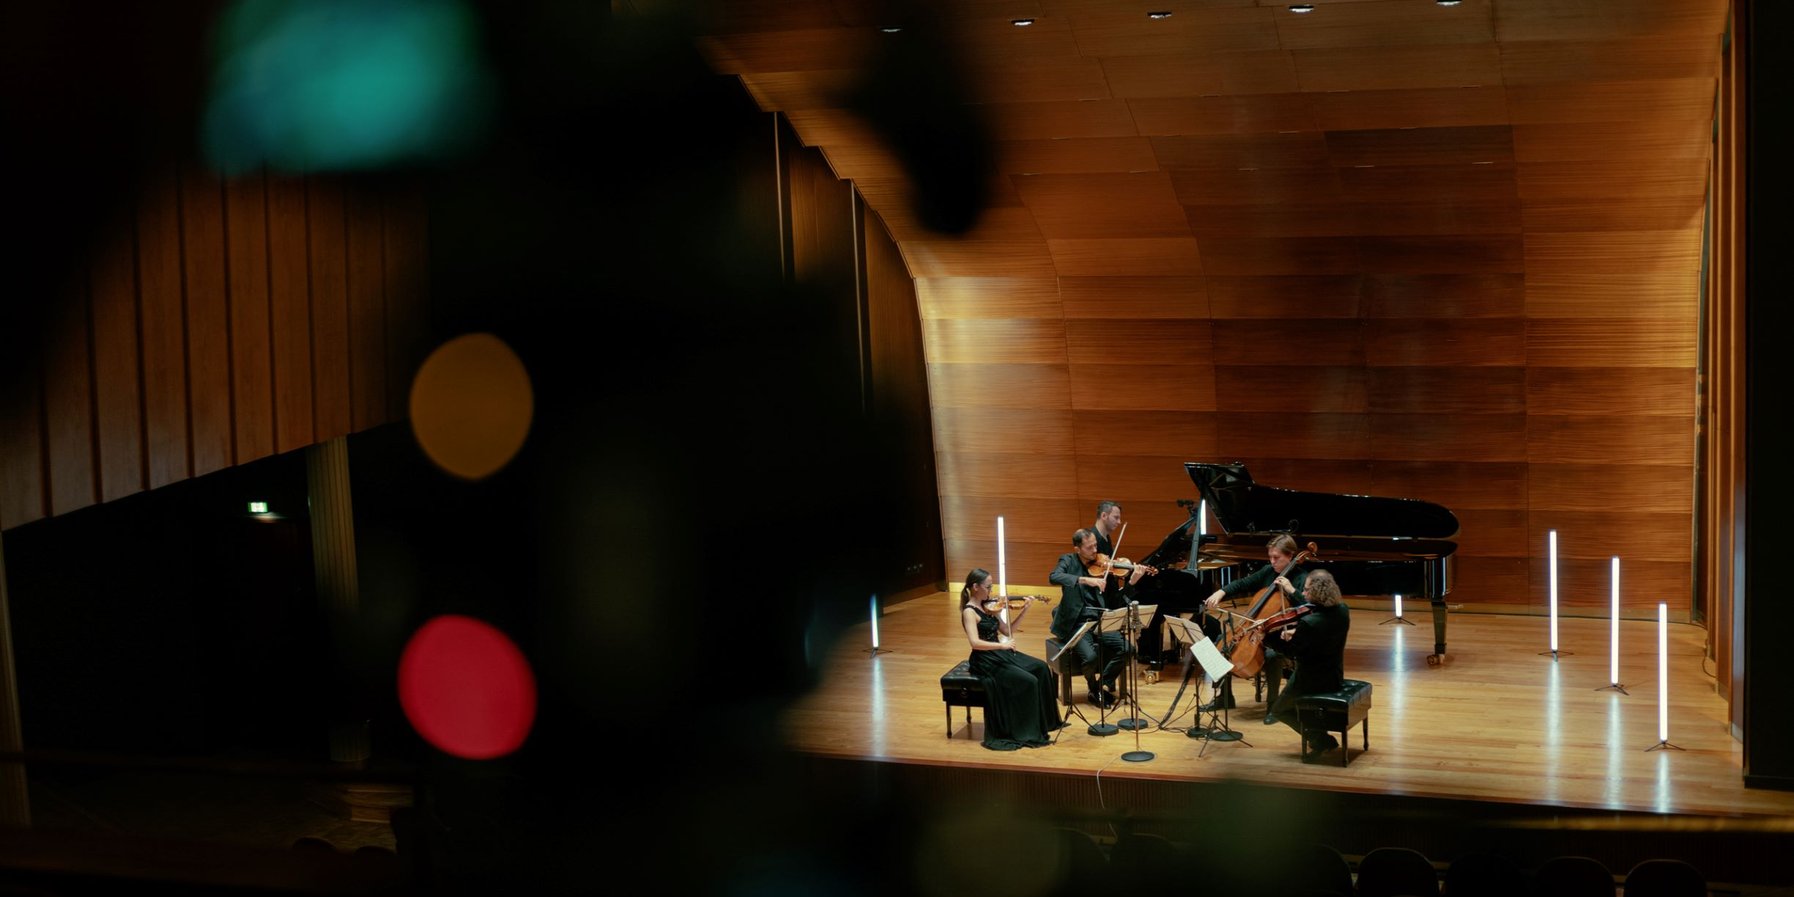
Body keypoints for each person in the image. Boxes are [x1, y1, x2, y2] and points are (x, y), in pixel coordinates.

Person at [1200, 533, 1310, 720]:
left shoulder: (1302, 578)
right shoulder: (1268, 571)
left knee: (1272, 656)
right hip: (1258, 630)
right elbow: (1243, 583)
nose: (1272, 561)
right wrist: (1221, 592)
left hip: (1286, 634)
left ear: (1290, 556)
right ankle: (1225, 697)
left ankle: (1273, 706)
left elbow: (1309, 608)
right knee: (1222, 643)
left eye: (1277, 558)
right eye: (1270, 557)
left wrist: (1291, 590)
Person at [960, 568, 1062, 750]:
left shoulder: (989, 606)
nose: (991, 591)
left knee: (1041, 668)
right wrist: (1002, 646)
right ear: (975, 587)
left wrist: (1024, 610)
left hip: (1000, 652)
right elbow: (975, 643)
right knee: (1029, 681)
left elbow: (1007, 631)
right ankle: (1028, 731)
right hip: (985, 660)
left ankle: (1046, 722)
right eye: (988, 586)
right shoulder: (969, 612)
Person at [1267, 569, 1350, 756]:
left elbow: (1290, 653)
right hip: (1334, 675)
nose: (1303, 593)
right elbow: (1320, 635)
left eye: (1305, 590)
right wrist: (1298, 635)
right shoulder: (1343, 611)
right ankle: (1319, 733)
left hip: (1309, 680)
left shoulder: (1310, 623)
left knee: (1279, 710)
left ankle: (1320, 739)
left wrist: (1268, 637)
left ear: (1317, 592)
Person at [1048, 529, 1134, 708]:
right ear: (1077, 548)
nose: (1095, 550)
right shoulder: (1068, 560)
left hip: (1100, 620)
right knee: (1090, 657)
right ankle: (1092, 687)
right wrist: (1085, 580)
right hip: (1077, 622)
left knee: (1127, 648)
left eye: (1095, 545)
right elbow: (1054, 577)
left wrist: (1133, 579)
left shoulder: (1103, 565)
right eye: (1089, 547)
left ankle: (1102, 685)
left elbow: (1115, 599)